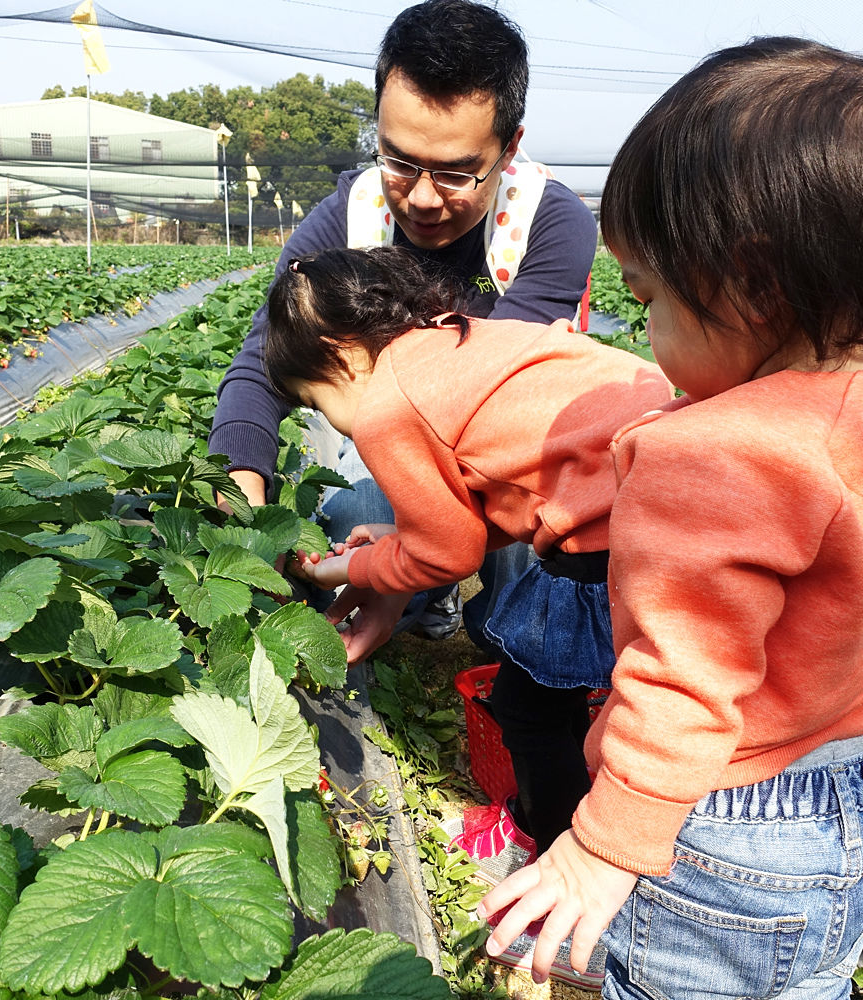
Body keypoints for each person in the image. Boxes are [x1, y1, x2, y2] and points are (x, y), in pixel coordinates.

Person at [476, 37, 863, 998]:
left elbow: (683, 678)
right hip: (859, 797)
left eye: (651, 299)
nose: (647, 334)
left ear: (754, 287)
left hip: (726, 821)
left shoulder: (710, 456)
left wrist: (603, 844)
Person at [264, 248, 670, 982]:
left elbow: (448, 554)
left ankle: (562, 882)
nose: (340, 426)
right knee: (622, 703)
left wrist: (341, 567)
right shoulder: (457, 341)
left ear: (340, 357)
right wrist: (392, 540)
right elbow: (480, 499)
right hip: (660, 493)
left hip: (614, 532)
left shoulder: (387, 401)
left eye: (320, 404)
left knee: (533, 709)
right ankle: (579, 836)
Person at [207, 0, 599, 662]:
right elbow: (263, 359)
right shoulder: (349, 218)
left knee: (533, 563)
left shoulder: (550, 225)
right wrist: (243, 477)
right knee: (351, 500)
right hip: (393, 429)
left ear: (509, 147)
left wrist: (415, 551)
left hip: (519, 443)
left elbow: (487, 403)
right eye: (398, 160)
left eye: (453, 172)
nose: (419, 196)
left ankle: (522, 662)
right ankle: (424, 597)